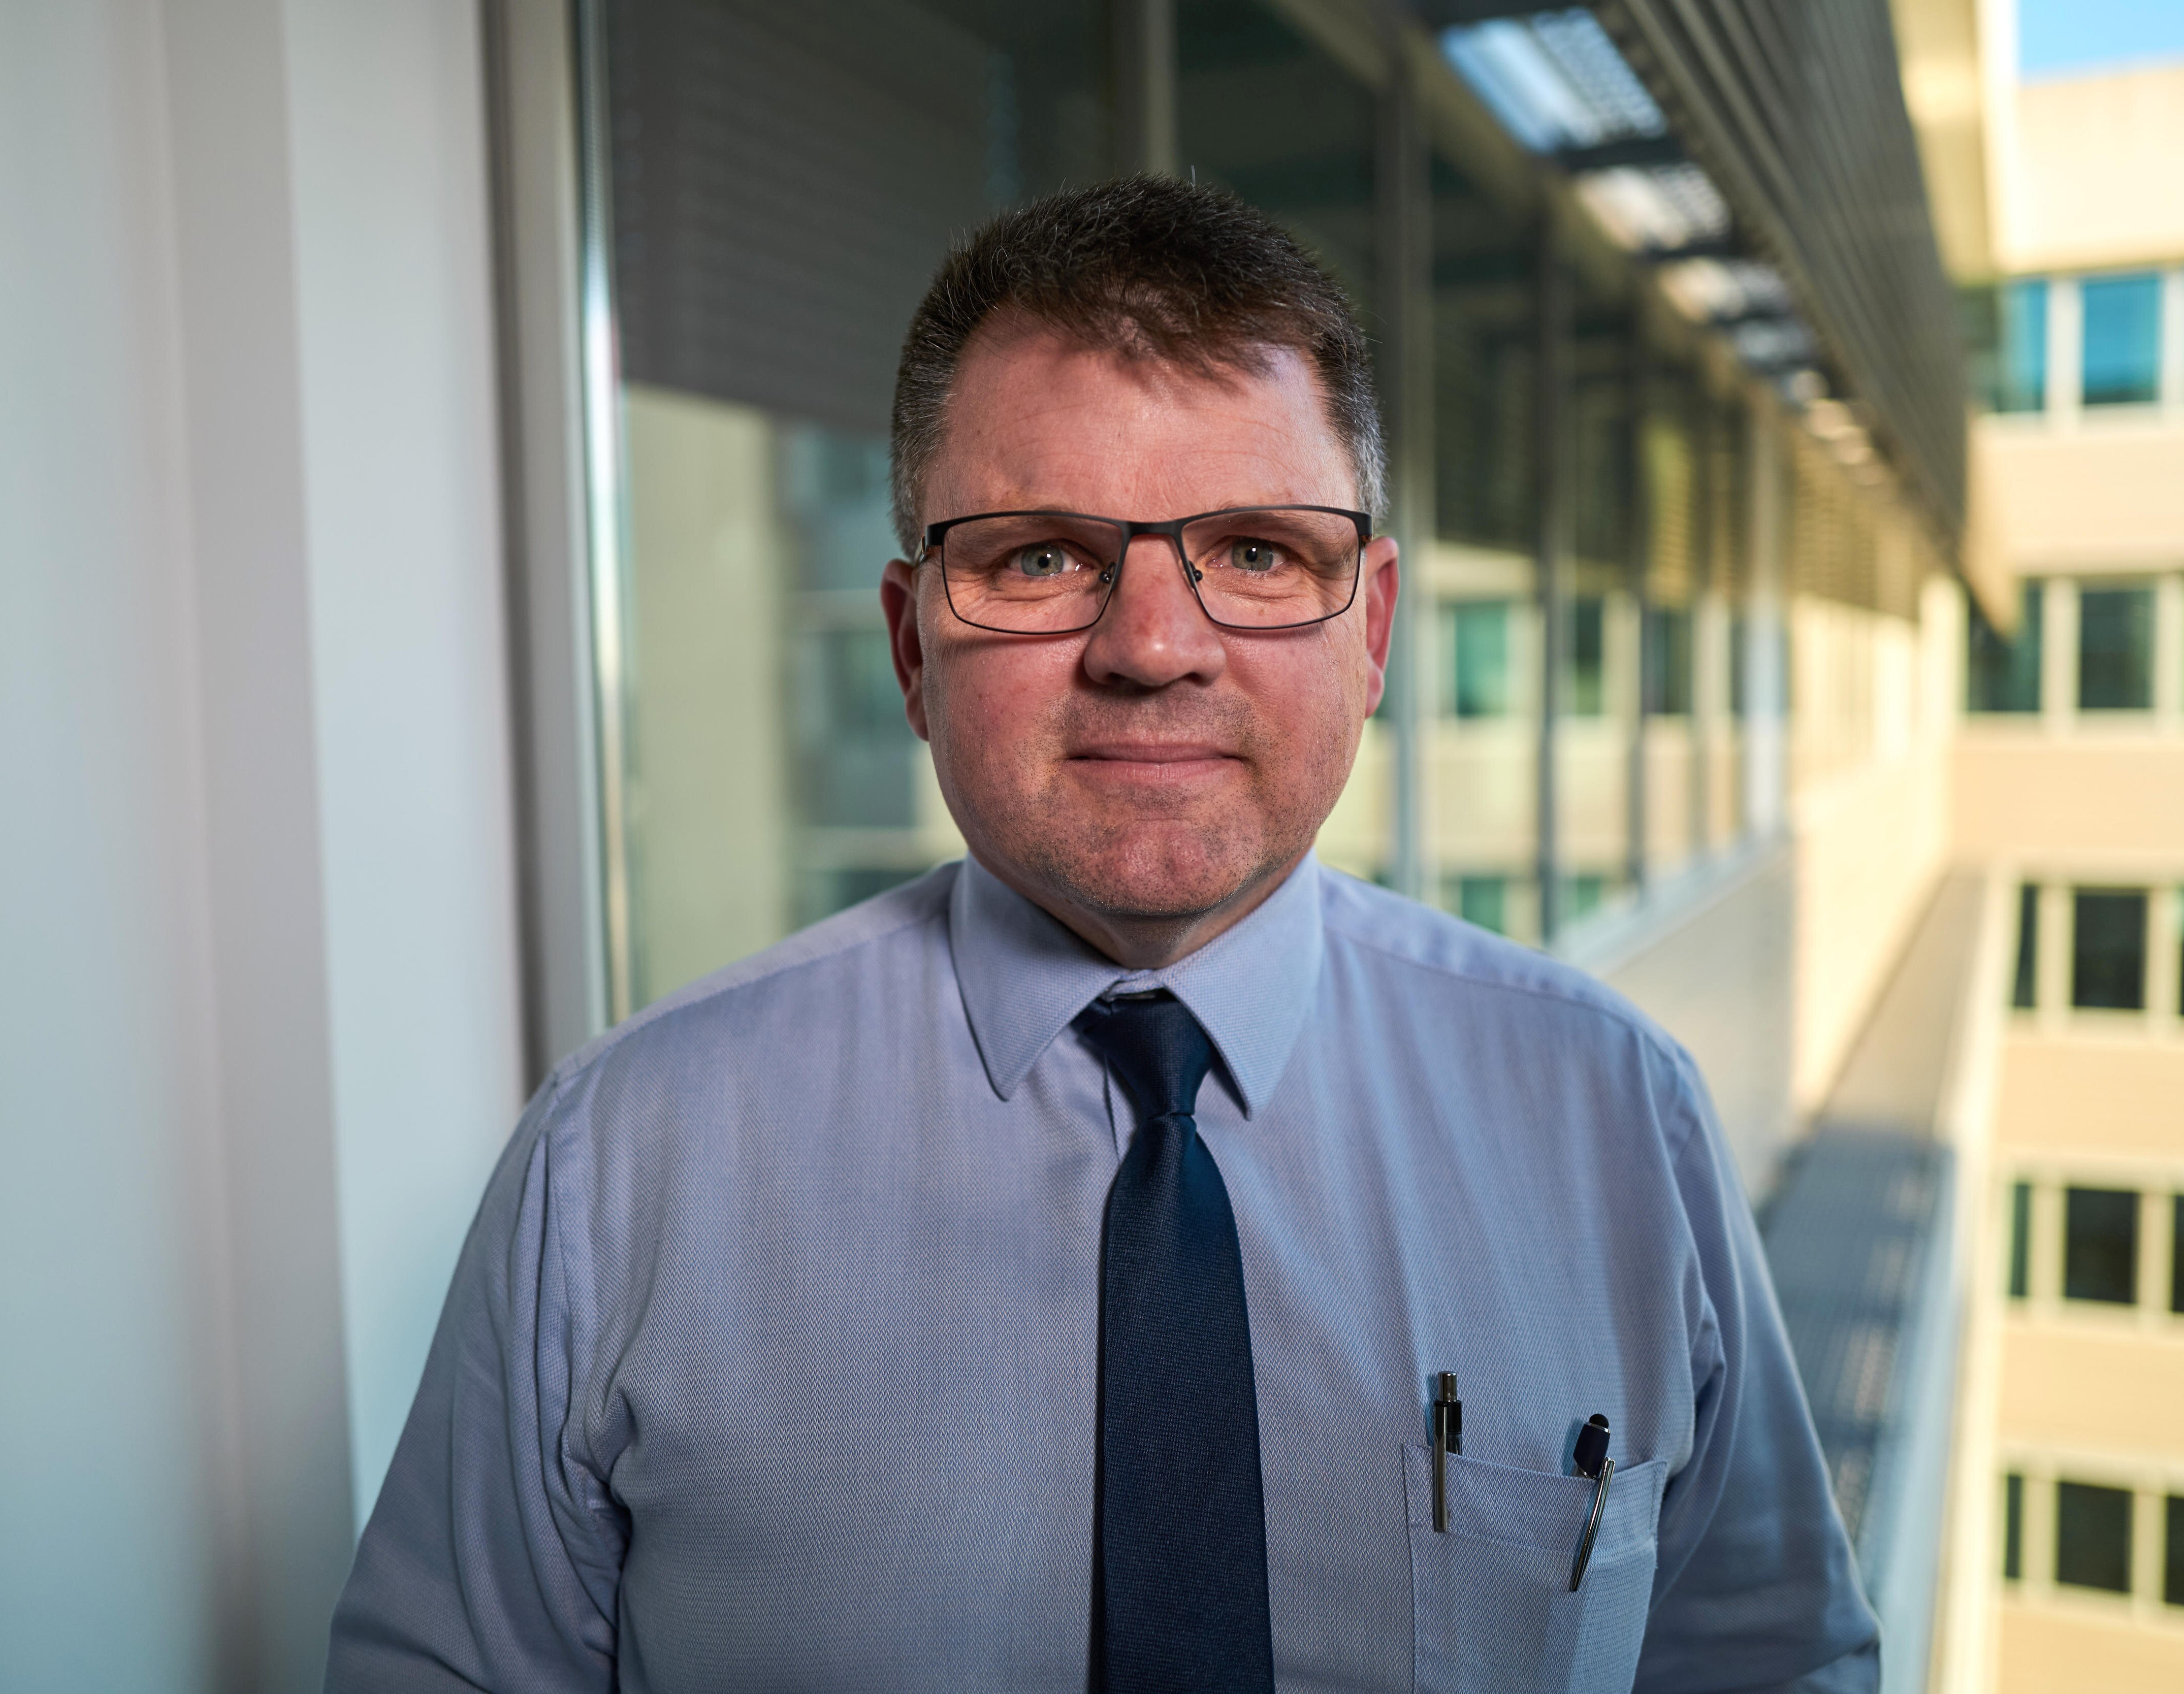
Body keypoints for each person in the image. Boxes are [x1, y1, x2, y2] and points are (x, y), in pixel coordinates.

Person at [329, 175, 1877, 1693]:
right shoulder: (621, 1166)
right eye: (1042, 557)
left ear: (1377, 629)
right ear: (911, 647)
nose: (1150, 646)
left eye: (1261, 551)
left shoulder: (1614, 1119)